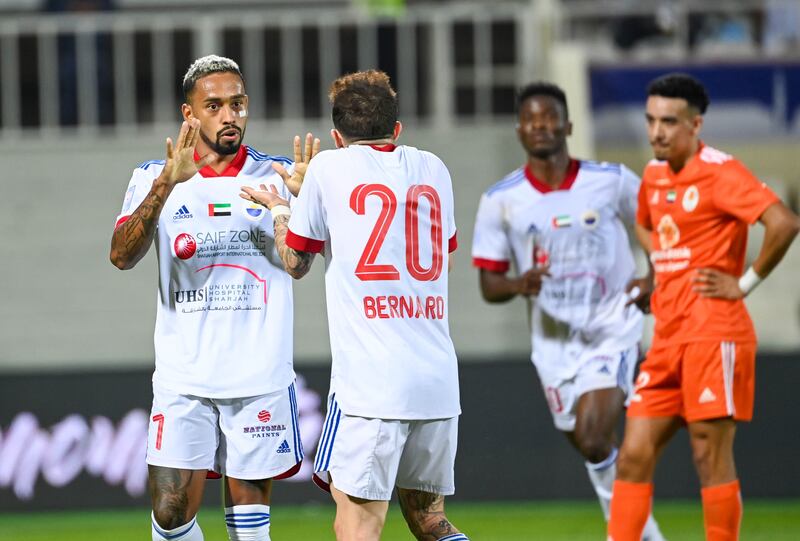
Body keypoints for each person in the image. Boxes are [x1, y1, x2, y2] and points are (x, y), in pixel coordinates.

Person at [242, 70, 470, 541]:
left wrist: (283, 209)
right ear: (398, 128)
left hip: (372, 388)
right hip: (438, 381)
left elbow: (296, 261)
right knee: (430, 520)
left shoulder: (329, 169)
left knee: (357, 526)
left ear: (337, 136)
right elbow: (435, 249)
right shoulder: (435, 168)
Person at [110, 55, 311, 541]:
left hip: (258, 376)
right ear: (190, 114)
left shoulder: (280, 175)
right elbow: (121, 255)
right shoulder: (153, 175)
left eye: (238, 104)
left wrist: (300, 207)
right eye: (215, 105)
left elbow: (299, 267)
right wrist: (166, 184)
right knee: (170, 515)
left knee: (248, 528)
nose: (229, 116)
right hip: (184, 377)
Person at [607, 73, 800, 541]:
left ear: (696, 125)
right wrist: (662, 273)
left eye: (669, 122)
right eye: (651, 120)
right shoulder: (653, 175)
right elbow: (647, 227)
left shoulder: (721, 171)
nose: (657, 132)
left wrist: (744, 282)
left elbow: (784, 223)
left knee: (705, 454)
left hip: (715, 332)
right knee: (633, 453)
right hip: (668, 337)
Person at [471, 81, 665, 540]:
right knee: (588, 443)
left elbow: (661, 227)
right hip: (553, 342)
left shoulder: (611, 179)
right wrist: (520, 283)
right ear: (519, 130)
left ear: (568, 124)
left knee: (597, 437)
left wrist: (655, 275)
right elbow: (489, 284)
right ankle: (645, 531)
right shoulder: (501, 199)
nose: (541, 125)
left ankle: (625, 532)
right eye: (531, 119)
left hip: (611, 324)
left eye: (550, 116)